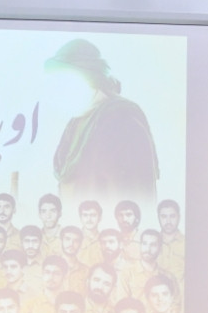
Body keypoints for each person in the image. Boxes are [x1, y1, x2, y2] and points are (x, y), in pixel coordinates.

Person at [49, 40, 158, 207]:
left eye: (65, 83)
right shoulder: (76, 124)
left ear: (90, 80)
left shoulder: (125, 125)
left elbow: (138, 204)